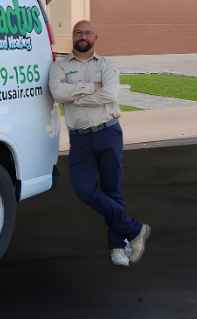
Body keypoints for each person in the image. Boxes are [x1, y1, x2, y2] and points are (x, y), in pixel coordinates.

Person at [48, 20, 151, 268]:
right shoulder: (59, 66)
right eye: (78, 32)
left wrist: (77, 97)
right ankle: (135, 229)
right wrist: (91, 88)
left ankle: (117, 247)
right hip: (80, 138)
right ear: (73, 36)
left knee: (112, 190)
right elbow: (57, 93)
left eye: (88, 32)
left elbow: (110, 95)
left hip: (108, 133)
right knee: (84, 190)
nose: (83, 36)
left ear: (95, 37)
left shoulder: (107, 65)